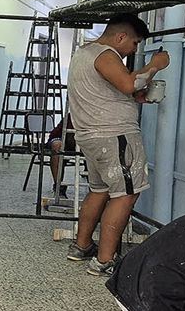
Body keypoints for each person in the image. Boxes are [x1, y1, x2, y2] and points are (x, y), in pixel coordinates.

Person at [65, 15, 169, 276]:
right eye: (134, 43)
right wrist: (154, 65)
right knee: (125, 195)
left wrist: (134, 96)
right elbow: (128, 83)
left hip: (92, 136)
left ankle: (81, 246)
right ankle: (104, 260)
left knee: (99, 191)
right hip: (114, 135)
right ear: (121, 37)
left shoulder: (85, 53)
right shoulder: (106, 54)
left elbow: (116, 89)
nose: (133, 50)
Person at [46, 115, 76, 200]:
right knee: (56, 146)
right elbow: (54, 135)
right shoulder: (71, 116)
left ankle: (96, 187)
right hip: (65, 141)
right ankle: (58, 187)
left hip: (85, 143)